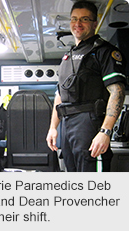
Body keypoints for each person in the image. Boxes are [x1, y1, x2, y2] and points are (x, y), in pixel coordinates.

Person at [46, 1, 126, 172]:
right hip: (67, 125)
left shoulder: (104, 51)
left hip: (89, 124)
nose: (78, 23)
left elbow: (117, 91)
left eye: (84, 19)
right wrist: (53, 127)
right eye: (74, 19)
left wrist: (105, 131)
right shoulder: (67, 57)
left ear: (94, 23)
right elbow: (59, 95)